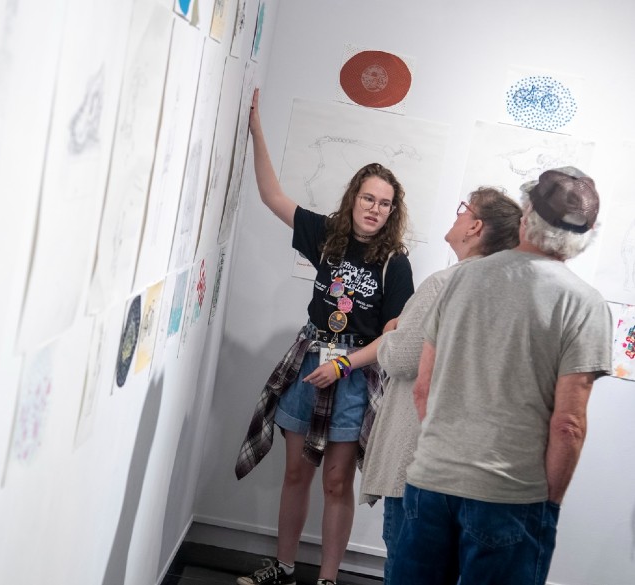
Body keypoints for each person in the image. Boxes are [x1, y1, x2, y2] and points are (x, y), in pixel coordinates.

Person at [391, 167, 613, 584]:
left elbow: (424, 389)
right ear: (586, 235)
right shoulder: (584, 305)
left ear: (526, 215)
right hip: (510, 495)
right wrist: (547, 504)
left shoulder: (461, 278)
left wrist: (448, 456)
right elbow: (568, 425)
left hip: (431, 483)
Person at [234, 88, 414, 585]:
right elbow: (272, 196)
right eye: (368, 198)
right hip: (310, 362)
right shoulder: (326, 235)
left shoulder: (395, 264)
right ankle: (284, 565)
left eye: (384, 204)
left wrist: (345, 365)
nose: (374, 209)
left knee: (337, 481)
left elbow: (392, 339)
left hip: (353, 375)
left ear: (392, 211)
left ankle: (329, 578)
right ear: (353, 197)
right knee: (297, 473)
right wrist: (254, 128)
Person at [303, 187, 523, 584]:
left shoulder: (443, 284)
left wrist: (391, 331)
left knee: (408, 561)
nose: (456, 216)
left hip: (420, 455)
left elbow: (402, 359)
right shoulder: (506, 290)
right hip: (465, 458)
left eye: (464, 210)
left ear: (475, 226)